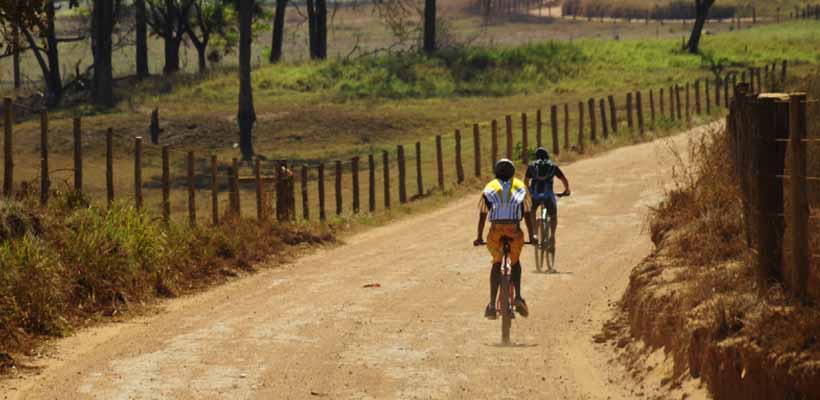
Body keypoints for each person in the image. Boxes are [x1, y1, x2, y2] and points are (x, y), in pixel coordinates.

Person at [473, 159, 534, 319]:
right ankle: (518, 297)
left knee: (497, 262)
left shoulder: (490, 187)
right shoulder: (520, 186)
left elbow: (482, 214)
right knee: (515, 262)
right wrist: (533, 236)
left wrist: (479, 237)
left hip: (496, 232)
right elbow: (527, 213)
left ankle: (492, 305)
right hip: (514, 230)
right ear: (513, 172)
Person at [524, 148, 571, 255]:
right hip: (548, 196)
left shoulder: (532, 166)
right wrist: (566, 190)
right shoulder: (553, 166)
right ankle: (552, 237)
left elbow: (526, 182)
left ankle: (535, 233)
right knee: (553, 215)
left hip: (535, 196)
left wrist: (528, 192)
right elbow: (564, 179)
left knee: (532, 211)